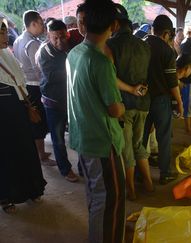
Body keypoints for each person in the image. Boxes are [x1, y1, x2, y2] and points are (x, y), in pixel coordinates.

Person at [66, 1, 126, 242]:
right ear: (114, 25)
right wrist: (122, 106)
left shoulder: (75, 53)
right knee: (111, 200)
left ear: (84, 23)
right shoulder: (100, 62)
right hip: (103, 141)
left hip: (83, 136)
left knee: (95, 195)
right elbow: (114, 110)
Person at [107, 3, 153, 201]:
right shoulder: (144, 45)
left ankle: (131, 189)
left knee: (126, 149)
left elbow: (110, 78)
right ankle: (149, 184)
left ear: (115, 25)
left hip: (124, 104)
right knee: (138, 144)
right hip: (143, 102)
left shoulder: (110, 46)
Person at [0, 17, 46, 214]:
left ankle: (31, 189)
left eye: (4, 32)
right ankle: (5, 196)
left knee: (26, 150)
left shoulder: (6, 55)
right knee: (6, 154)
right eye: (0, 33)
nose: (5, 36)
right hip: (3, 118)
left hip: (18, 111)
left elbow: (19, 80)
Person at [143, 15, 183, 185]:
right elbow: (172, 81)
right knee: (164, 137)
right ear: (167, 33)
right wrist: (179, 102)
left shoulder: (141, 44)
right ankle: (165, 173)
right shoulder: (167, 51)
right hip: (160, 99)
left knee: (141, 137)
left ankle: (140, 173)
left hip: (142, 98)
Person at [36, 19, 78, 182]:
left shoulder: (72, 45)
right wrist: (73, 70)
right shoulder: (44, 52)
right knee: (58, 138)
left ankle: (82, 166)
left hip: (71, 101)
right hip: (53, 102)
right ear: (48, 36)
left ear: (66, 33)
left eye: (62, 36)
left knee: (76, 135)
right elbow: (51, 76)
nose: (59, 41)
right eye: (55, 38)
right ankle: (65, 169)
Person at [13, 10, 55, 166]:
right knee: (38, 121)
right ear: (33, 23)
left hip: (25, 85)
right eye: (41, 23)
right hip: (35, 86)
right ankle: (42, 155)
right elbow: (39, 70)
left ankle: (40, 153)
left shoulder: (18, 40)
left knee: (34, 119)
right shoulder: (33, 43)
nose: (43, 26)